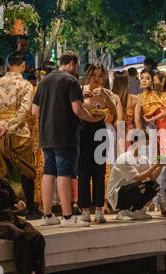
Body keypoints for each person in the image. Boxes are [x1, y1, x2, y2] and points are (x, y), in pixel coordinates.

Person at [32, 51, 100, 228]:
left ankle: (47, 214)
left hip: (46, 134)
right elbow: (77, 109)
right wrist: (92, 118)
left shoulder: (44, 81)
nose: (77, 69)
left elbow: (35, 111)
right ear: (72, 63)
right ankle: (68, 217)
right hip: (65, 134)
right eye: (77, 66)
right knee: (64, 173)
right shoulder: (70, 81)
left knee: (49, 171)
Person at [0, 53, 40, 220]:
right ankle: (30, 208)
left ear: (8, 65)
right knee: (27, 172)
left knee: (0, 172)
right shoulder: (26, 85)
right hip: (18, 133)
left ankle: (2, 209)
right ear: (22, 65)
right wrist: (8, 126)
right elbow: (23, 110)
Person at [79, 63, 118, 224]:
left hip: (100, 132)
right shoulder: (80, 90)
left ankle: (99, 209)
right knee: (83, 172)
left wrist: (106, 96)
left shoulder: (106, 92)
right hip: (82, 131)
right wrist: (84, 98)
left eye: (100, 75)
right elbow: (73, 109)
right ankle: (84, 209)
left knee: (99, 172)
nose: (97, 78)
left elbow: (114, 113)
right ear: (88, 75)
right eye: (94, 75)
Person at [107, 132, 163, 221]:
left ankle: (137, 210)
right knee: (140, 186)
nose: (147, 146)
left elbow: (152, 178)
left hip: (133, 189)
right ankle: (122, 212)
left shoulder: (143, 158)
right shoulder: (124, 159)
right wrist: (155, 166)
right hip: (117, 194)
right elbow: (138, 178)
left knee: (154, 186)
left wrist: (161, 166)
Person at [136, 68, 166, 152]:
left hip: (151, 130)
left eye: (147, 78)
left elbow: (164, 113)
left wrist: (150, 119)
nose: (144, 81)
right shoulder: (138, 96)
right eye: (142, 78)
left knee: (152, 157)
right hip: (140, 130)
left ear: (152, 81)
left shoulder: (153, 96)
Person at [112, 70, 139, 149]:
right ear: (127, 83)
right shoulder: (135, 99)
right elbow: (137, 121)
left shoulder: (110, 98)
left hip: (114, 132)